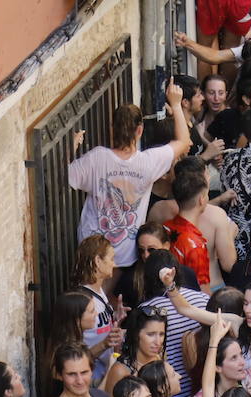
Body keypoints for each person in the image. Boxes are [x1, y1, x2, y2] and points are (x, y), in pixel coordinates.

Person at [70, 85, 191, 266]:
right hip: (127, 255)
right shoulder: (149, 162)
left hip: (92, 253)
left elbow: (62, 179)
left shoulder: (96, 158)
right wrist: (176, 105)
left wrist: (71, 147)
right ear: (140, 130)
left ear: (112, 129)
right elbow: (183, 142)